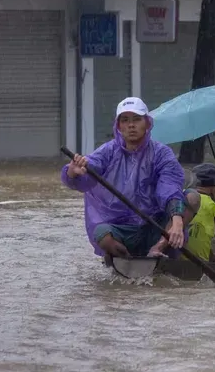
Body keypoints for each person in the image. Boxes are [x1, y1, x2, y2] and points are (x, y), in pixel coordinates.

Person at [62, 97, 186, 260]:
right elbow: (90, 167)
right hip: (123, 228)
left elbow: (169, 187)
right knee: (101, 233)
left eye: (136, 119)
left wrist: (177, 220)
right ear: (118, 126)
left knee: (191, 197)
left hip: (157, 225)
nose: (131, 125)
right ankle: (128, 260)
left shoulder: (162, 154)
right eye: (125, 120)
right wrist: (73, 172)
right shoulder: (108, 151)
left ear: (147, 124)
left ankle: (159, 247)